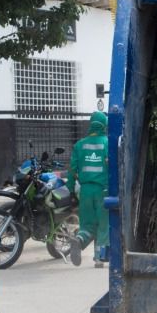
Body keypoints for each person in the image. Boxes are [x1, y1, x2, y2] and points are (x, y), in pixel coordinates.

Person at [67, 111, 110, 268]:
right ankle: (99, 257)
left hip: (85, 191)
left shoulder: (79, 145)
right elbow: (112, 166)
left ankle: (79, 239)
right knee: (103, 224)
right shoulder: (107, 143)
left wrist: (71, 190)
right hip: (102, 191)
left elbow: (72, 170)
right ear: (104, 125)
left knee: (87, 225)